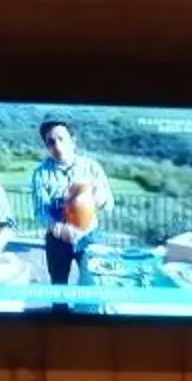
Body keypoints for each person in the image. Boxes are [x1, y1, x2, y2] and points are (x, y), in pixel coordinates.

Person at [30, 118, 112, 287]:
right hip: (57, 240)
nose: (57, 146)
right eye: (51, 142)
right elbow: (40, 211)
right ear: (47, 147)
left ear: (73, 141)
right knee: (58, 287)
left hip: (89, 236)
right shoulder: (40, 173)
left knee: (93, 284)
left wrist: (97, 198)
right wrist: (59, 229)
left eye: (62, 139)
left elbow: (109, 202)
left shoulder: (91, 167)